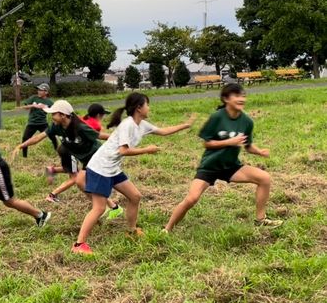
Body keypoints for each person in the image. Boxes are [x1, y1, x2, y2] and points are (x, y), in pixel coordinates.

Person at [71, 93, 196, 254]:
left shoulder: (141, 124)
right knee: (99, 208)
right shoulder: (127, 125)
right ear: (139, 108)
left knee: (135, 196)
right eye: (147, 105)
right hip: (101, 168)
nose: (149, 108)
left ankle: (131, 231)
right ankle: (79, 245)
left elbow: (163, 131)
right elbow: (123, 150)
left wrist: (185, 125)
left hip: (113, 168)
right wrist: (147, 150)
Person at [163, 84, 283, 233]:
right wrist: (229, 142)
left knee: (264, 178)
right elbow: (207, 143)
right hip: (210, 167)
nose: (241, 99)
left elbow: (248, 146)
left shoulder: (247, 121)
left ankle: (260, 219)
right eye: (237, 96)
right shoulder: (217, 117)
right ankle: (167, 229)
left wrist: (260, 152)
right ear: (226, 99)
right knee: (191, 199)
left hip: (231, 167)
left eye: (243, 96)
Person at [12, 100, 122, 220]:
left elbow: (99, 136)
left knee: (84, 182)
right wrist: (22, 145)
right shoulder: (56, 127)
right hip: (85, 160)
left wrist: (120, 139)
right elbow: (39, 136)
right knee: (83, 184)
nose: (51, 116)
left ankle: (105, 207)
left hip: (97, 157)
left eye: (54, 114)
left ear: (63, 115)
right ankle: (110, 207)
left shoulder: (80, 127)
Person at [19, 83, 58, 157]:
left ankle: (57, 151)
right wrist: (33, 105)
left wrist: (46, 108)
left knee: (52, 136)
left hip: (43, 123)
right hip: (32, 123)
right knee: (25, 138)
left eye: (41, 90)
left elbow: (55, 111)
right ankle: (24, 156)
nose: (38, 91)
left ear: (46, 92)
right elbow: (24, 107)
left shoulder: (49, 102)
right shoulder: (33, 98)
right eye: (38, 90)